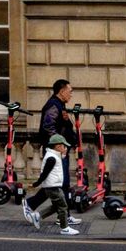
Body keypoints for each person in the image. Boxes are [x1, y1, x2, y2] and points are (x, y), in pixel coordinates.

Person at [22, 78, 80, 233]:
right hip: (55, 152)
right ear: (61, 91)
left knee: (62, 184)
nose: (71, 94)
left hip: (60, 150)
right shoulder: (53, 106)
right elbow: (48, 127)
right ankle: (31, 205)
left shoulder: (59, 105)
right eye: (70, 91)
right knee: (56, 184)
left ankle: (63, 215)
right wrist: (59, 146)